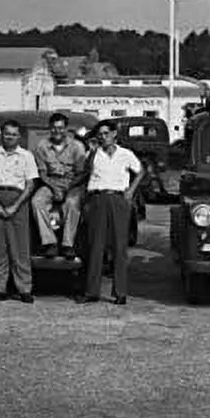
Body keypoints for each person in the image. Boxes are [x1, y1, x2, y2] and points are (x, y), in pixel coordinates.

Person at [76, 119, 145, 306]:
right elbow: (86, 171)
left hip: (118, 198)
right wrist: (92, 151)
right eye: (100, 134)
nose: (103, 137)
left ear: (114, 134)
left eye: (106, 133)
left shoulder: (125, 154)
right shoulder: (93, 154)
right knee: (96, 246)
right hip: (98, 198)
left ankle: (120, 292)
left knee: (119, 246)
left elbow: (140, 171)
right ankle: (92, 291)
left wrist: (131, 191)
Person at [0, 119, 39, 303]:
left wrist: (16, 205)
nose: (10, 137)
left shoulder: (26, 156)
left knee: (20, 247)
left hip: (18, 200)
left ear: (19, 136)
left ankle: (24, 288)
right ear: (2, 135)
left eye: (14, 134)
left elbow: (30, 184)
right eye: (7, 134)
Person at [31, 112, 87, 259]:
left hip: (73, 183)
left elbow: (81, 173)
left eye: (61, 128)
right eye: (54, 128)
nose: (57, 131)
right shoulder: (42, 146)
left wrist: (67, 189)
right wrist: (54, 188)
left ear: (66, 129)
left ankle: (68, 244)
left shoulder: (77, 146)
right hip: (50, 182)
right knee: (37, 201)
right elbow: (42, 173)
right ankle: (49, 242)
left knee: (72, 203)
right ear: (50, 128)